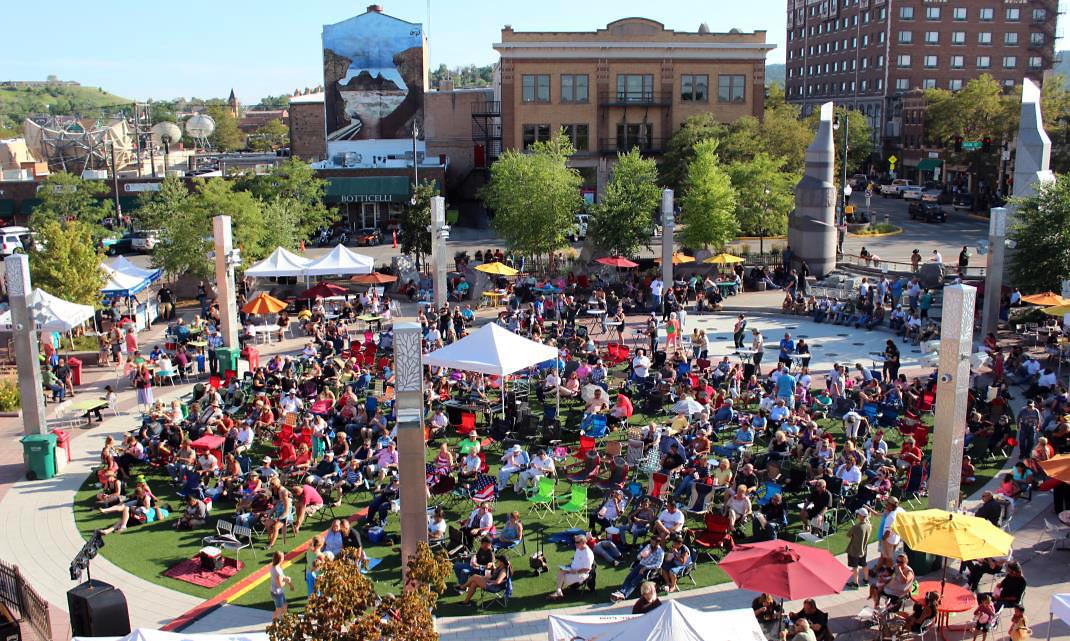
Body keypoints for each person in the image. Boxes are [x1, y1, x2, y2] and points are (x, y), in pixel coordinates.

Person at [609, 536, 665, 601]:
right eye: (651, 541)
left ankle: (624, 595)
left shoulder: (661, 552)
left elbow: (658, 564)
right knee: (629, 577)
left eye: (653, 542)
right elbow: (639, 556)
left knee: (635, 581)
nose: (651, 543)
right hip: (641, 564)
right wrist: (641, 556)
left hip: (649, 569)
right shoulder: (648, 546)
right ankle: (621, 592)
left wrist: (646, 567)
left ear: (657, 543)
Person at [549, 534, 595, 600]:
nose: (575, 544)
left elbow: (587, 569)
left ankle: (558, 591)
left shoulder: (587, 554)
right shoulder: (579, 548)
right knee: (561, 571)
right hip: (573, 569)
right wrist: (569, 566)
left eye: (577, 542)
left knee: (561, 577)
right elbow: (577, 560)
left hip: (580, 574)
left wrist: (576, 571)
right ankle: (558, 591)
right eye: (575, 542)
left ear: (583, 542)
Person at [846, 508, 872, 588]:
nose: (857, 515)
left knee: (855, 566)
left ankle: (855, 583)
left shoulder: (856, 527)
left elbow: (848, 535)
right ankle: (866, 580)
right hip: (864, 549)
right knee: (864, 564)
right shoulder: (869, 526)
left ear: (861, 516)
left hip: (854, 550)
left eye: (858, 514)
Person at [270, 550, 293, 622]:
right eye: (283, 557)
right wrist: (287, 580)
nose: (284, 558)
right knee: (278, 609)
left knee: (285, 605)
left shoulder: (276, 566)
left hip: (278, 592)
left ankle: (284, 619)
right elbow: (279, 584)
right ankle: (274, 621)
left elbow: (282, 578)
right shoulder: (277, 570)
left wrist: (288, 582)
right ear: (280, 559)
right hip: (277, 593)